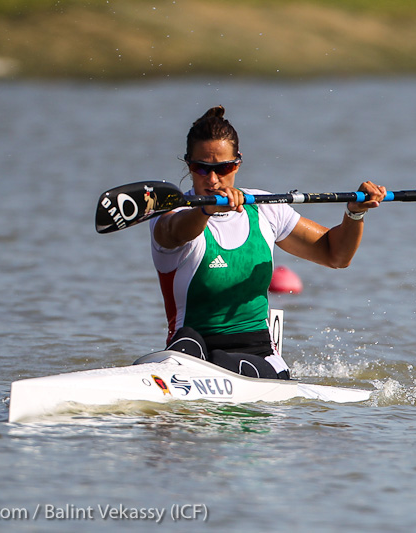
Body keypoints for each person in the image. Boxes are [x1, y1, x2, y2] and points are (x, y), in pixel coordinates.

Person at [149, 106, 386, 380]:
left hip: (258, 356)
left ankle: (213, 367)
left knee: (217, 359)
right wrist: (207, 210)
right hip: (190, 351)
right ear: (189, 165)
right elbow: (175, 232)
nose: (212, 180)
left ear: (237, 164)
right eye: (200, 168)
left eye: (222, 168)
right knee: (187, 341)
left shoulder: (266, 208)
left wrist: (355, 213)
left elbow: (336, 255)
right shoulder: (171, 215)